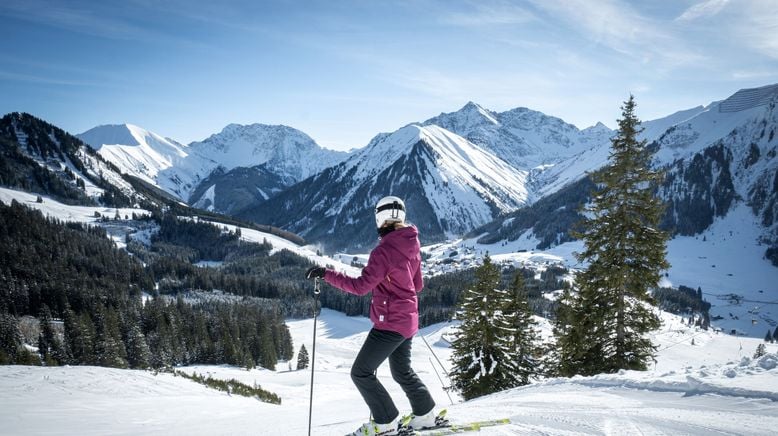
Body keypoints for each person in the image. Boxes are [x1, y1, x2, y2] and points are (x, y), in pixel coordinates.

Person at [305, 196, 439, 436]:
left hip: (390, 322)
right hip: (408, 319)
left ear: (380, 217)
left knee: (361, 372)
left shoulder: (383, 251)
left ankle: (386, 421)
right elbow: (417, 285)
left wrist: (326, 274)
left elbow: (360, 287)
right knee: (402, 371)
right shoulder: (412, 243)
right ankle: (425, 414)